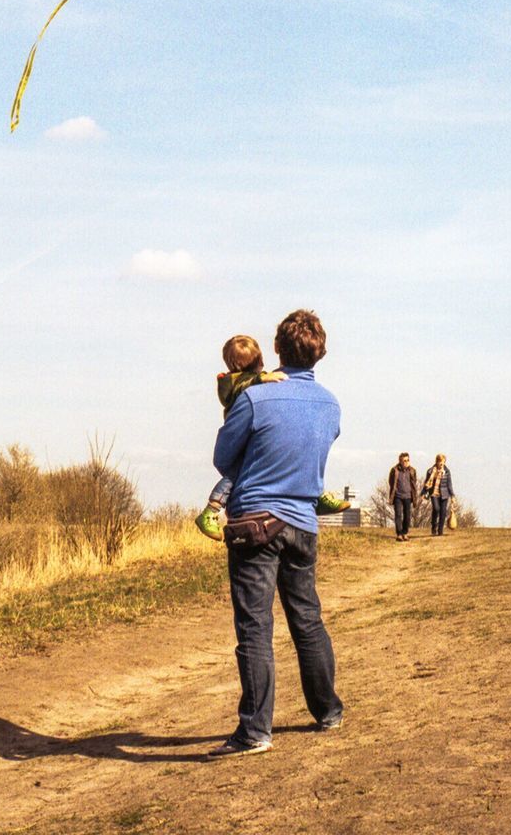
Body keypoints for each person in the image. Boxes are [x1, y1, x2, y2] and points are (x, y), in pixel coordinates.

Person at [208, 309, 344, 757]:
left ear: (278, 348)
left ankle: (255, 732)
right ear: (319, 351)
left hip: (254, 524)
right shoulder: (331, 404)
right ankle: (328, 711)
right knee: (307, 620)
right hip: (304, 522)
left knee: (255, 627)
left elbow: (224, 458)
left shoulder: (254, 399)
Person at [195, 335, 351, 542]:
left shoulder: (259, 384)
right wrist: (261, 379)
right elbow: (240, 386)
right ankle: (212, 508)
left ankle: (317, 493)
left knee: (295, 447)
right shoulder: (231, 382)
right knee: (234, 473)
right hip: (246, 441)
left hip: (254, 445)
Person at [422, 454, 455, 536]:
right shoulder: (430, 471)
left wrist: (452, 496)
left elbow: (449, 484)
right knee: (436, 509)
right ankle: (434, 527)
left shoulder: (447, 472)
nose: (441, 463)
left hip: (444, 494)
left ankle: (440, 531)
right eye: (439, 461)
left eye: (443, 462)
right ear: (436, 462)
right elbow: (426, 483)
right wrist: (423, 493)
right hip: (434, 493)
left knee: (443, 512)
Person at [388, 452, 417, 542]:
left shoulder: (412, 470)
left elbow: (414, 482)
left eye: (408, 460)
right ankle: (399, 534)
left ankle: (405, 533)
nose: (406, 462)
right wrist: (395, 491)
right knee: (398, 515)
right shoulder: (394, 470)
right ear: (400, 461)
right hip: (398, 496)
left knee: (407, 516)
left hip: (408, 496)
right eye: (404, 460)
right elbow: (391, 481)